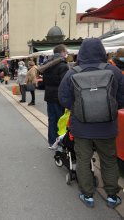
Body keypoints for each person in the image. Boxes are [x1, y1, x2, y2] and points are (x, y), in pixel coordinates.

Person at [59, 38, 124, 208]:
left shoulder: (72, 72)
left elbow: (63, 99)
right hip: (107, 127)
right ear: (102, 51)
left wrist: (79, 108)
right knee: (109, 160)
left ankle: (87, 194)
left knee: (83, 160)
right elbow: (122, 98)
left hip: (81, 127)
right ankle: (112, 195)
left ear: (81, 53)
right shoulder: (114, 71)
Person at [39, 44, 69, 147]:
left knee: (52, 119)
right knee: (61, 120)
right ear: (62, 52)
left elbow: (44, 81)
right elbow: (65, 83)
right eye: (66, 52)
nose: (67, 54)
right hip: (59, 96)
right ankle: (60, 142)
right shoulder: (63, 65)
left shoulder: (47, 64)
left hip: (49, 95)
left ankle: (52, 142)